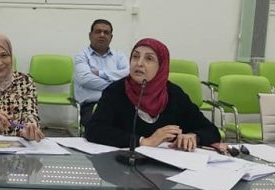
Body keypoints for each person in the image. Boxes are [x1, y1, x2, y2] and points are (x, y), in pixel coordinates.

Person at [85, 38, 221, 151]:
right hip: (122, 164)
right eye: (135, 56)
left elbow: (211, 131)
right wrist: (143, 141)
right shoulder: (116, 91)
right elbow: (94, 129)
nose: (139, 63)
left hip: (165, 168)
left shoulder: (174, 94)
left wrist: (194, 136)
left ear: (161, 66)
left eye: (149, 59)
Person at [73, 19, 129, 127]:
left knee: (129, 125)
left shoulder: (119, 56)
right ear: (90, 35)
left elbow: (128, 75)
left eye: (106, 32)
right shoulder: (82, 56)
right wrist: (116, 86)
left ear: (111, 37)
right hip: (91, 104)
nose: (102, 35)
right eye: (98, 31)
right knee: (97, 128)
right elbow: (85, 79)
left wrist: (101, 74)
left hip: (117, 102)